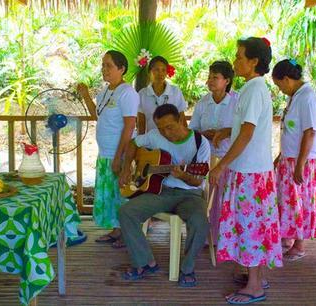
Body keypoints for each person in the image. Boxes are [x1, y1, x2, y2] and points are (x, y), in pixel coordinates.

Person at [209, 37, 282, 305]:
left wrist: (221, 164)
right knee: (255, 226)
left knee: (251, 228)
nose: (235, 61)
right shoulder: (254, 88)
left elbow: (247, 133)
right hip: (252, 170)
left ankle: (254, 287)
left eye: (240, 57)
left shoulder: (253, 89)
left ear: (254, 62)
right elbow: (244, 129)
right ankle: (256, 278)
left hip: (250, 172)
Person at [118, 104, 210, 287]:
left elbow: (197, 181)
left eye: (170, 127)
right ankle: (145, 263)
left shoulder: (200, 143)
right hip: (161, 191)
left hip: (190, 195)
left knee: (200, 222)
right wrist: (127, 167)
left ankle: (187, 268)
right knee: (126, 211)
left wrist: (184, 175)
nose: (166, 133)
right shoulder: (154, 136)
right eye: (161, 128)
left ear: (181, 121)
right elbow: (133, 143)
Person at [77, 50, 139, 248]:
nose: (104, 69)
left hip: (118, 153)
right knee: (110, 194)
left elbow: (129, 126)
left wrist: (119, 157)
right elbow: (98, 115)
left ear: (122, 69)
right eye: (103, 65)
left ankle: (126, 234)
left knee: (121, 195)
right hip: (105, 153)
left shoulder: (127, 92)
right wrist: (86, 95)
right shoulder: (105, 91)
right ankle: (116, 230)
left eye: (109, 66)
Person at [272, 59, 316, 261]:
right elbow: (291, 132)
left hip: (303, 161)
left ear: (287, 79)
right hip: (289, 159)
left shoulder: (307, 97)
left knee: (301, 201)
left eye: (279, 85)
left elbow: (310, 132)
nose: (280, 89)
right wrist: (280, 156)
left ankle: (300, 244)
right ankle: (289, 235)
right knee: (288, 201)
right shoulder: (295, 96)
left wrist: (300, 164)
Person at [189, 60, 239, 243]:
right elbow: (192, 131)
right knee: (206, 199)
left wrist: (226, 132)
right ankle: (207, 238)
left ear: (226, 80)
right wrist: (205, 134)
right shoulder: (203, 103)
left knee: (227, 199)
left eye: (215, 77)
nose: (210, 81)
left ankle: (227, 239)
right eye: (209, 77)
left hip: (230, 158)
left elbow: (246, 130)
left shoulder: (238, 101)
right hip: (206, 158)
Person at [138, 56, 187, 134]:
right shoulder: (142, 94)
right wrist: (140, 143)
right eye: (156, 70)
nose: (160, 73)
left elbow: (182, 119)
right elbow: (141, 123)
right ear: (150, 72)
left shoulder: (175, 91)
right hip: (152, 143)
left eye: (163, 70)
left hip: (173, 140)